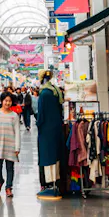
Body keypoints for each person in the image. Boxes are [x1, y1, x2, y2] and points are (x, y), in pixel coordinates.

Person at [36, 70, 65, 200]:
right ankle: (57, 184)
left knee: (47, 156)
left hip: (46, 130)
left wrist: (38, 124)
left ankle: (49, 186)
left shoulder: (44, 93)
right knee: (56, 155)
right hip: (57, 128)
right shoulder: (56, 91)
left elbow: (41, 115)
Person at [0, 92, 22, 197]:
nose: (7, 103)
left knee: (10, 168)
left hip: (10, 145)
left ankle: (8, 187)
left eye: (9, 101)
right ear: (2, 101)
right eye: (5, 101)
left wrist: (17, 147)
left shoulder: (14, 116)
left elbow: (17, 132)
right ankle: (0, 181)